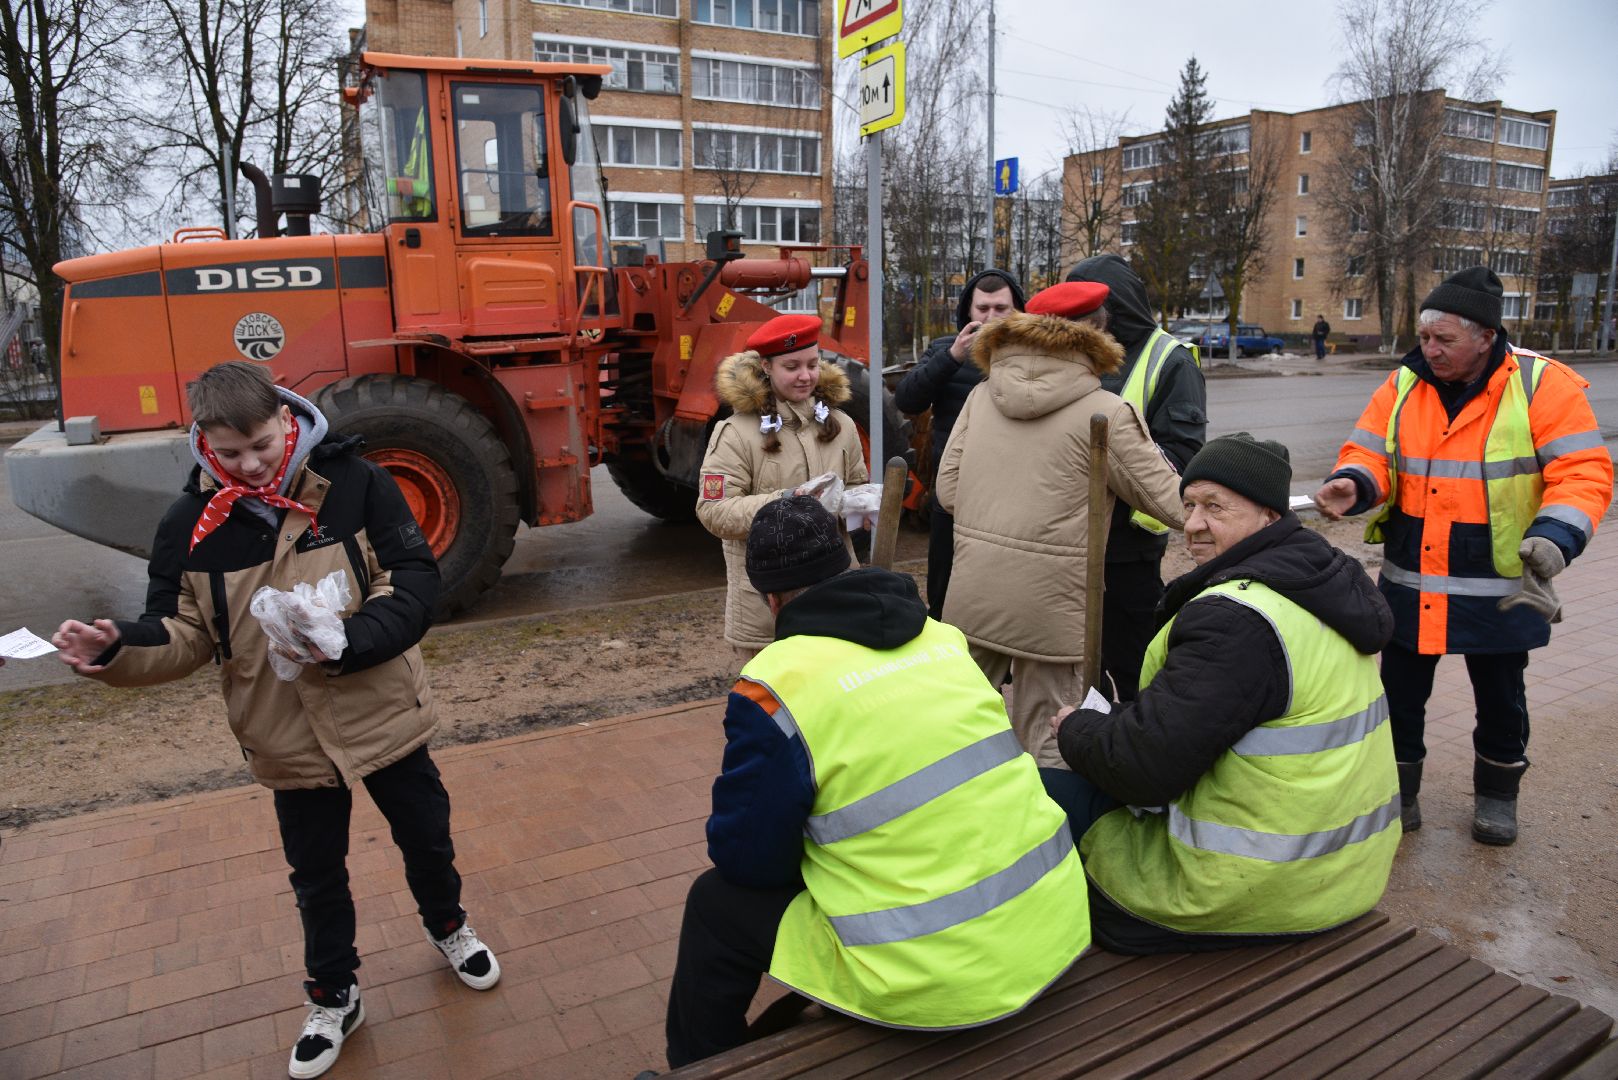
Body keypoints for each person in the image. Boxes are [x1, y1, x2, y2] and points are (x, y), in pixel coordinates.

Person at [52, 362, 498, 1080]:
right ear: (204, 442)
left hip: (382, 713)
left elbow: (413, 577)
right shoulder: (187, 525)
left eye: (261, 445)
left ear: (286, 422)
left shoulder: (355, 482)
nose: (251, 466)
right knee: (317, 877)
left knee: (427, 837)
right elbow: (183, 633)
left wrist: (353, 639)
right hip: (286, 738)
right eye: (229, 454)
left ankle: (449, 926)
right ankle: (334, 995)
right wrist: (115, 649)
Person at [663, 496, 1089, 1068]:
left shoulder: (776, 685)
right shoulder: (943, 639)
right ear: (846, 563)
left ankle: (700, 1065)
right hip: (1051, 931)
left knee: (716, 904)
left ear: (770, 600)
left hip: (933, 983)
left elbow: (748, 860)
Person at [1051, 434, 1400, 953]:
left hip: (1242, 893)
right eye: (1189, 504)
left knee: (1043, 792)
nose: (1192, 525)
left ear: (1267, 515)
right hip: (1344, 877)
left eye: (1215, 507)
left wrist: (1076, 728)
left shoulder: (1238, 620)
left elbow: (1141, 771)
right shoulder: (1316, 584)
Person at [1314, 267, 1613, 846]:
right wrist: (1354, 482)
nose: (1430, 350)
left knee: (1501, 699)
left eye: (1444, 340)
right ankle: (1398, 797)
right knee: (1399, 696)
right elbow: (1369, 450)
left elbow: (1584, 472)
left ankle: (1498, 798)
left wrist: (1556, 536)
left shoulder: (1540, 385)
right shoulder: (1404, 384)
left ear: (1485, 336)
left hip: (1499, 581)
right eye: (1425, 337)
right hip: (1412, 574)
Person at [935, 280, 1186, 767]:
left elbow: (947, 493)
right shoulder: (1107, 412)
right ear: (1098, 333)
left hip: (975, 594)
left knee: (960, 726)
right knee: (1054, 736)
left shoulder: (982, 395)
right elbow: (1172, 503)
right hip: (1054, 607)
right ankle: (1055, 838)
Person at [1065, 255, 1207, 702]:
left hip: (1129, 549)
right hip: (1069, 541)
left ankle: (1132, 754)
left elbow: (1183, 458)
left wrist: (1110, 462)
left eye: (1089, 314)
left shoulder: (1170, 360)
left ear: (1115, 308)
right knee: (1077, 669)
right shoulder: (1077, 352)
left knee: (1133, 670)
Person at [696, 313, 870, 664]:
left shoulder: (842, 425)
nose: (805, 376)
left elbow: (855, 483)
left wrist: (861, 507)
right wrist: (787, 502)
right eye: (791, 366)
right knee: (770, 714)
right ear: (766, 366)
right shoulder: (735, 433)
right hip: (765, 608)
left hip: (833, 596)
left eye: (812, 364)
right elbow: (713, 510)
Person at [894, 268, 1026, 619]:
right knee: (945, 588)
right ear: (969, 311)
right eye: (983, 309)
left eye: (1001, 309)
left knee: (1005, 591)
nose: (991, 317)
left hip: (1012, 495)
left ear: (1019, 311)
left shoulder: (1034, 354)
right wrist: (951, 357)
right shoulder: (944, 350)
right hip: (954, 494)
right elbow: (907, 400)